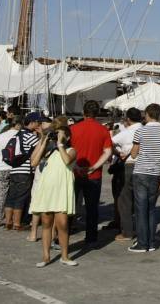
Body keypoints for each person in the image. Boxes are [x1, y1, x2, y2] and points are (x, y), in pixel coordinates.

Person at [29, 118, 78, 267]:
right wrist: (44, 140)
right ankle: (46, 256)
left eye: (61, 134)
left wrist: (60, 143)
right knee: (46, 223)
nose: (57, 136)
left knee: (62, 224)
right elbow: (34, 162)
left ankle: (64, 256)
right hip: (47, 190)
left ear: (67, 137)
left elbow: (67, 161)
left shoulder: (71, 150)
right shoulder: (48, 152)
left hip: (61, 191)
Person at [128, 103, 160, 253]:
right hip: (157, 173)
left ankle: (142, 243)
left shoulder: (140, 131)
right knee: (151, 209)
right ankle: (151, 242)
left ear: (147, 114)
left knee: (141, 209)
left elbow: (133, 154)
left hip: (141, 172)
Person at [68, 100, 112, 246]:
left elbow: (66, 152)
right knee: (92, 208)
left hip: (74, 172)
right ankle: (91, 238)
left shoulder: (73, 128)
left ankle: (62, 237)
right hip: (94, 174)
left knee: (69, 206)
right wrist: (94, 166)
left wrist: (75, 167)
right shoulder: (103, 130)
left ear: (83, 112)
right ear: (97, 113)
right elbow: (108, 152)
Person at [3, 113, 44, 232]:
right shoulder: (30, 136)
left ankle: (8, 222)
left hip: (14, 168)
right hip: (24, 171)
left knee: (11, 196)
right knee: (21, 197)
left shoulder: (17, 134)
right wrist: (42, 135)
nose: (39, 125)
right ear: (32, 123)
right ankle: (17, 223)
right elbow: (41, 147)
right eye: (38, 122)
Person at [109, 107, 143, 240]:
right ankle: (142, 229)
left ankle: (127, 231)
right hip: (145, 166)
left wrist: (117, 152)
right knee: (140, 199)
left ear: (128, 119)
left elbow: (109, 142)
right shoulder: (144, 129)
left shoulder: (127, 132)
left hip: (129, 165)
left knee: (125, 199)